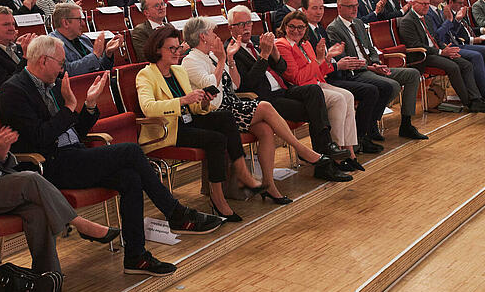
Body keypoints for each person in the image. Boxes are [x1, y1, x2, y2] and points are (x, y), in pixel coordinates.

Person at [0, 35, 221, 275]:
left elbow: (74, 131)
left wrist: (90, 106)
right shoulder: (14, 91)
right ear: (43, 60)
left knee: (130, 179)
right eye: (61, 63)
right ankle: (175, 212)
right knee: (131, 150)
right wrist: (70, 107)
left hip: (75, 155)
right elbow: (41, 138)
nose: (63, 69)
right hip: (50, 166)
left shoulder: (53, 83)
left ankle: (136, 257)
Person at [0, 57, 120, 285]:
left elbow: (3, 163)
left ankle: (49, 284)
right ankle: (79, 224)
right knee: (30, 179)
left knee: (37, 212)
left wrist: (3, 152)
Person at [182, 17, 336, 203]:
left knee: (265, 130)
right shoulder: (190, 61)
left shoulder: (212, 56)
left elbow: (236, 84)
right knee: (264, 106)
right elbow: (211, 87)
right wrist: (223, 59)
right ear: (203, 37)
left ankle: (269, 185)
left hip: (232, 103)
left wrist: (230, 59)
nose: (216, 36)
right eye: (213, 33)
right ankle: (302, 149)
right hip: (216, 112)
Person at [136, 25, 267, 219]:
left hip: (188, 120)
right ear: (157, 50)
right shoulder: (146, 74)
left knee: (224, 117)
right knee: (215, 139)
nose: (177, 52)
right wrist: (183, 100)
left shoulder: (178, 71)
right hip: (169, 129)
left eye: (178, 47)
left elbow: (194, 108)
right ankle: (218, 197)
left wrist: (203, 101)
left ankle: (241, 172)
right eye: (171, 49)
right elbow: (148, 107)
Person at [327, 0, 427, 140]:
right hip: (358, 71)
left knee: (412, 74)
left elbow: (371, 49)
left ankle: (406, 124)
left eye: (356, 6)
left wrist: (376, 63)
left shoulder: (359, 23)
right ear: (340, 7)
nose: (354, 9)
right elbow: (345, 59)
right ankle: (371, 123)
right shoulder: (334, 28)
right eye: (350, 7)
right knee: (392, 85)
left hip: (372, 66)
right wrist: (369, 67)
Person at [275, 11, 361, 175]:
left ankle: (349, 151)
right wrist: (320, 59)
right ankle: (336, 154)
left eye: (301, 27)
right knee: (337, 99)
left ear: (306, 28)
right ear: (285, 27)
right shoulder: (282, 45)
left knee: (348, 96)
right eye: (292, 26)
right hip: (301, 89)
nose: (296, 31)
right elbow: (297, 77)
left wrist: (327, 58)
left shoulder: (306, 43)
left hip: (316, 83)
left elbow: (319, 71)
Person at [398, 0, 485, 112]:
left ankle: (476, 99)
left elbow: (435, 38)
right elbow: (415, 45)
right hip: (422, 55)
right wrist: (441, 52)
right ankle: (468, 102)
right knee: (453, 67)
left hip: (436, 50)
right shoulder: (407, 21)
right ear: (414, 4)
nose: (426, 6)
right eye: (423, 4)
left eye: (427, 4)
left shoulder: (426, 18)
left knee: (466, 64)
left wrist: (446, 49)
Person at [49, 3, 122, 76]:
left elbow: (101, 69)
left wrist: (107, 53)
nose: (83, 24)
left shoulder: (84, 39)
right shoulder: (52, 44)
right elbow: (66, 72)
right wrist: (95, 55)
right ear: (65, 23)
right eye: (79, 20)